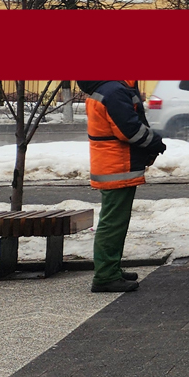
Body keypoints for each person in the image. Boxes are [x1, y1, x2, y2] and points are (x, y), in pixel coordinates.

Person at [77, 80, 165, 293]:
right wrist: (155, 142)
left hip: (114, 164)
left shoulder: (108, 87)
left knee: (114, 221)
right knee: (113, 223)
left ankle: (111, 269)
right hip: (118, 164)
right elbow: (130, 130)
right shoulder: (114, 90)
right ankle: (106, 276)